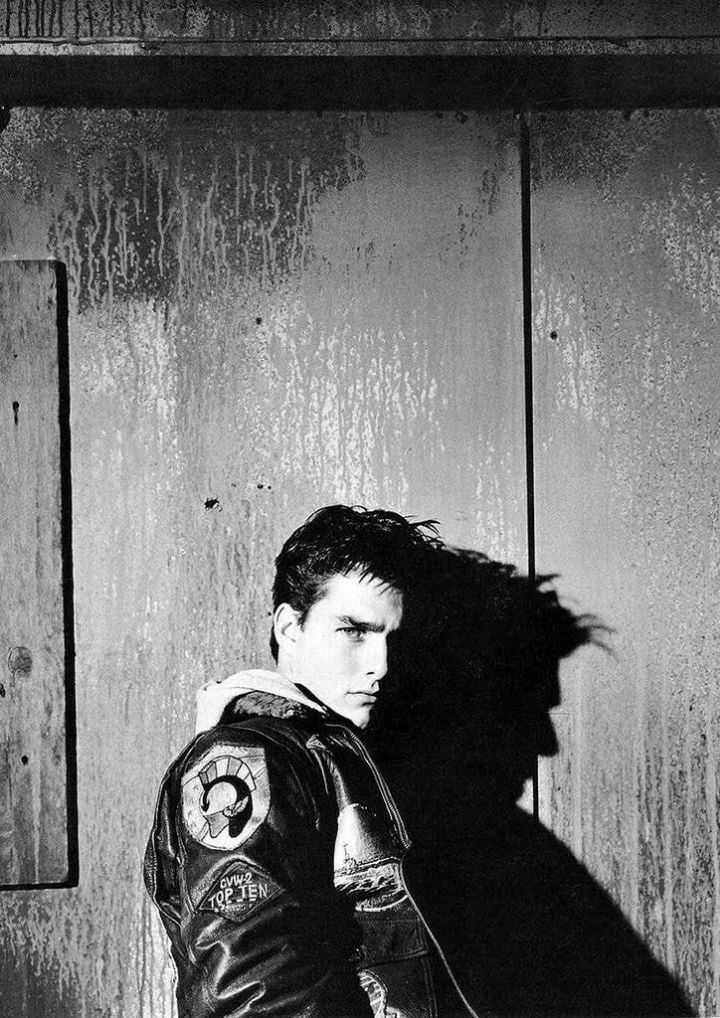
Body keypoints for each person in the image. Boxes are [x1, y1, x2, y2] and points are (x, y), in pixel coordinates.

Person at [144, 505, 480, 1018]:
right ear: (289, 627)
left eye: (393, 638)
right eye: (354, 631)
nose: (381, 665)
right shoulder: (248, 761)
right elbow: (256, 994)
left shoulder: (341, 756)